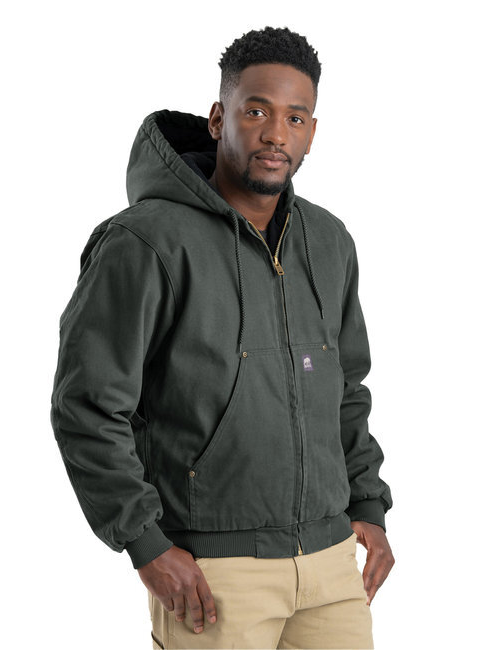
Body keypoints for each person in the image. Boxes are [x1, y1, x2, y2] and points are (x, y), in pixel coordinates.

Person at [50, 26, 395, 650]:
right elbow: (88, 405)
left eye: (295, 117)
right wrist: (146, 544)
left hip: (330, 562)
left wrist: (367, 505)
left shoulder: (329, 242)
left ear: (312, 131)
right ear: (218, 119)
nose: (276, 134)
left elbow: (346, 388)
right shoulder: (144, 242)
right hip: (213, 574)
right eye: (256, 111)